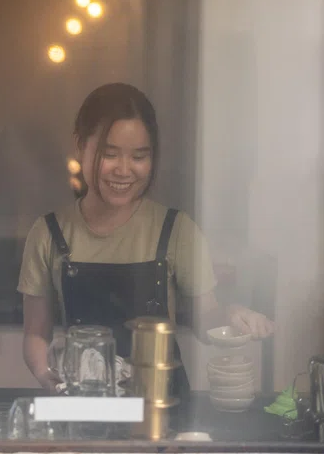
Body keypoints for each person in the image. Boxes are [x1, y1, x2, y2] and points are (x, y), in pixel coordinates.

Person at [18, 83, 273, 396]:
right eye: (109, 154)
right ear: (80, 146)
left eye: (139, 156)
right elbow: (35, 334)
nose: (124, 170)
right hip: (88, 398)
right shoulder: (48, 233)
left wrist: (230, 315)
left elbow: (205, 317)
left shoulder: (176, 229)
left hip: (163, 404)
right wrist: (48, 375)